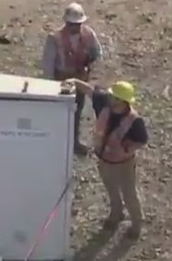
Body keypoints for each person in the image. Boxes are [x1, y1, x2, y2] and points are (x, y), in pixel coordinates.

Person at [61, 79, 149, 238]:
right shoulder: (103, 103)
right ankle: (116, 213)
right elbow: (89, 90)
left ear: (122, 101)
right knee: (111, 188)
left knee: (129, 193)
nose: (109, 98)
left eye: (113, 96)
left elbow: (142, 140)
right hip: (104, 159)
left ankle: (137, 224)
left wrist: (128, 148)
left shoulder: (135, 121)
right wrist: (73, 81)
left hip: (124, 164)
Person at [41, 3, 102, 155]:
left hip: (80, 80)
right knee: (59, 114)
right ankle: (57, 142)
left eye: (77, 24)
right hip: (61, 82)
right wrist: (50, 86)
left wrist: (91, 61)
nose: (75, 27)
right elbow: (48, 64)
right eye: (72, 24)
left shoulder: (88, 34)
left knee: (76, 111)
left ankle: (74, 142)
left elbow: (97, 52)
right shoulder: (55, 38)